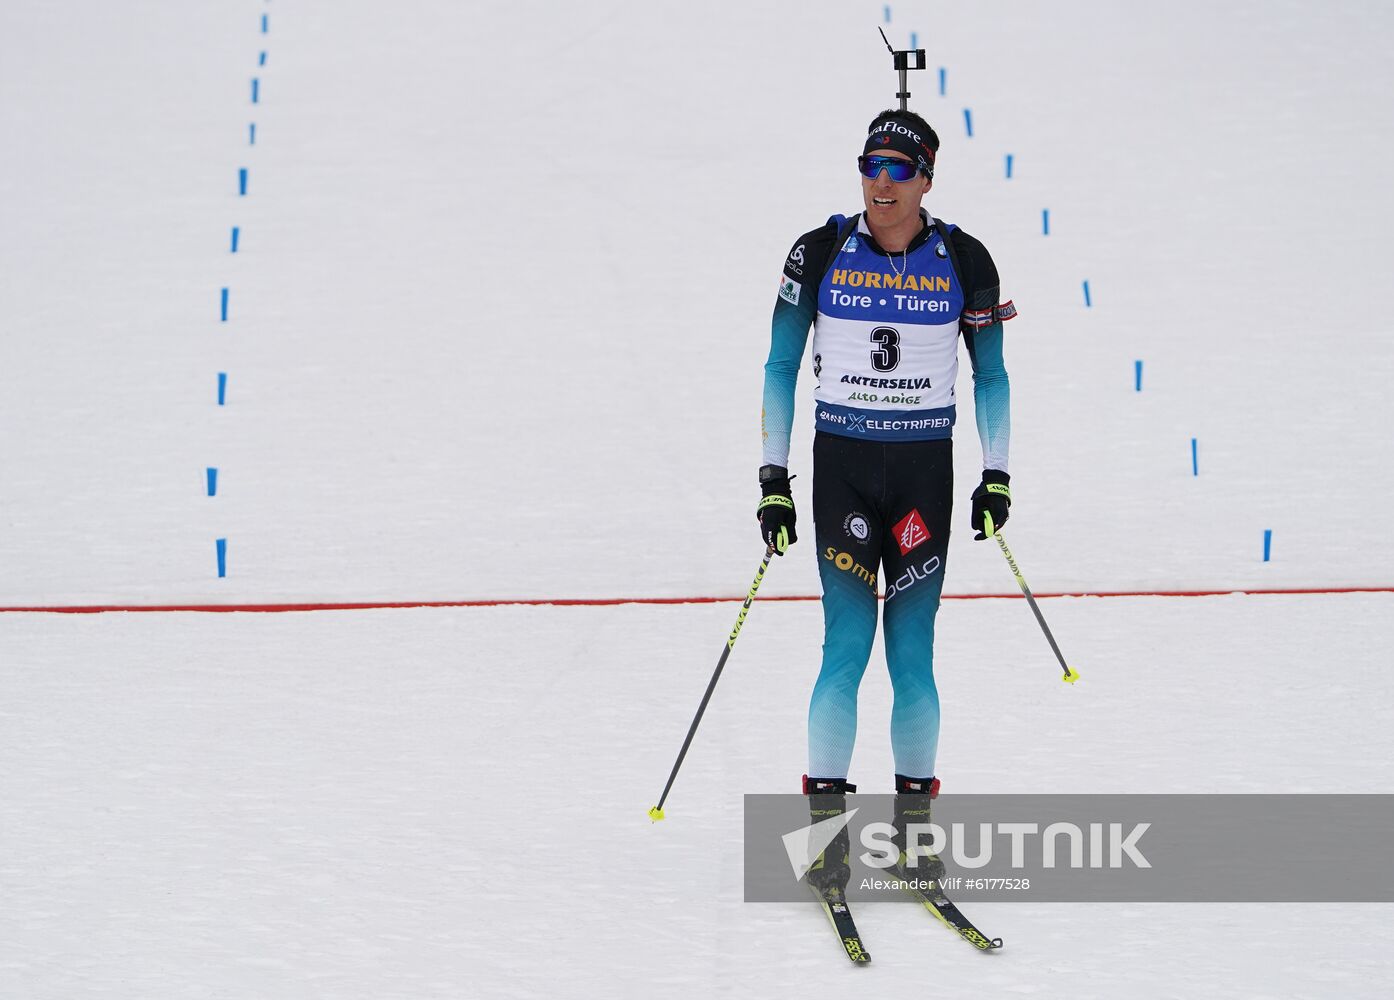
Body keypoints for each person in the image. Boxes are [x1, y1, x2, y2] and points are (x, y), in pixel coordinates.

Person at [756, 108, 1016, 895]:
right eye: (871, 165)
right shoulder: (821, 250)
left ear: (927, 178)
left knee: (912, 659)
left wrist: (995, 472)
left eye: (899, 170)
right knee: (844, 650)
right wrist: (773, 480)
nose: (880, 182)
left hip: (920, 479)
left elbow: (992, 375)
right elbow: (778, 365)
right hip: (841, 472)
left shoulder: (963, 259)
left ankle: (913, 838)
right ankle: (827, 842)